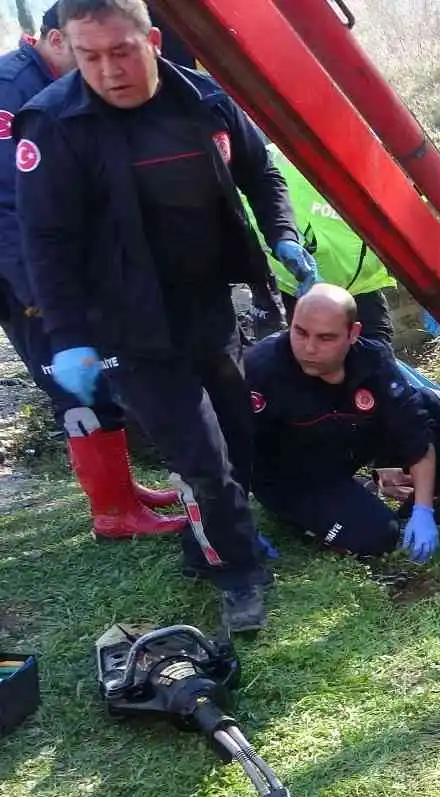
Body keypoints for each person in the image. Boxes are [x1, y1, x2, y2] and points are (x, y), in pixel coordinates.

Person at [14, 0, 321, 632]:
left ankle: (205, 537)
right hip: (125, 326)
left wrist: (280, 233)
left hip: (207, 306)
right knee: (200, 456)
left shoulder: (203, 101)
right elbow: (45, 240)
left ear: (151, 40)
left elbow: (261, 172)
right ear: (67, 48)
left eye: (121, 51)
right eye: (87, 55)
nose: (107, 70)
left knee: (236, 435)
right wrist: (68, 336)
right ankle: (238, 575)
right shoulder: (53, 125)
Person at [0, 2, 185, 538]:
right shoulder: (13, 91)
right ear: (56, 40)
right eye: (83, 55)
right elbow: (9, 208)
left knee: (99, 376)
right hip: (22, 278)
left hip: (54, 270)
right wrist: (41, 295)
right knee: (73, 385)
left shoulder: (43, 83)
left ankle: (122, 489)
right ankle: (112, 512)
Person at [244, 284, 440, 562]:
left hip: (342, 445)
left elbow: (415, 431)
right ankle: (305, 515)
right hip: (296, 476)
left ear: (353, 334)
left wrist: (423, 509)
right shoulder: (260, 368)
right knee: (378, 535)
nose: (309, 348)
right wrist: (237, 526)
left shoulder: (372, 358)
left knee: (426, 403)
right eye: (300, 332)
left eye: (326, 338)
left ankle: (431, 502)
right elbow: (231, 451)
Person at [245, 142, 396, 344]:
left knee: (377, 364)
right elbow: (247, 211)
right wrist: (288, 246)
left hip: (361, 290)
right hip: (288, 291)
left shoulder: (381, 164)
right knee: (281, 369)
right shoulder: (275, 158)